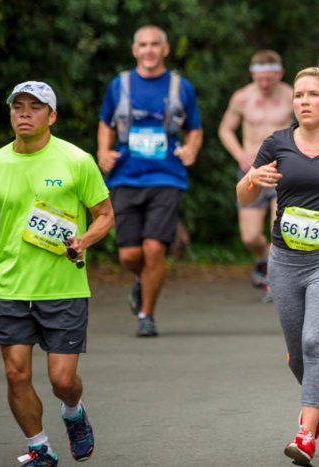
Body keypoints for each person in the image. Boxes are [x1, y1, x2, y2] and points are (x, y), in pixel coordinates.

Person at [238, 67, 319, 465]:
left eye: (313, 95)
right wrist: (252, 180)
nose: (304, 102)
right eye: (298, 95)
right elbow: (245, 198)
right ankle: (314, 408)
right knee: (297, 353)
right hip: (285, 260)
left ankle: (304, 432)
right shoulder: (276, 144)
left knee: (316, 343)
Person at [0, 82, 112, 466]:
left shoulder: (76, 160)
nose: (24, 113)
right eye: (18, 106)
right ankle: (40, 448)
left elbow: (105, 215)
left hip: (63, 288)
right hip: (11, 288)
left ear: (52, 116)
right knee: (16, 376)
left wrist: (84, 240)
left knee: (62, 381)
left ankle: (73, 412)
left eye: (35, 107)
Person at [96, 25, 203, 338]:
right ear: (134, 50)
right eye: (143, 45)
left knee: (155, 249)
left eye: (155, 44)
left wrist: (191, 148)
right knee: (129, 254)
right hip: (126, 176)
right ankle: (144, 279)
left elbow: (194, 128)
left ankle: (146, 314)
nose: (149, 50)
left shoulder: (181, 87)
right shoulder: (120, 84)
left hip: (166, 176)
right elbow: (106, 122)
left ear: (165, 50)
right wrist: (103, 150)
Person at [220, 50, 294, 301]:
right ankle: (263, 259)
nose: (264, 84)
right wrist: (240, 154)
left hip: (283, 170)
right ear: (253, 75)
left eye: (269, 79)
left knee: (279, 229)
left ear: (279, 74)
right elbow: (225, 129)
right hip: (251, 169)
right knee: (250, 236)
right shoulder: (242, 97)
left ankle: (275, 280)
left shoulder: (292, 96)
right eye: (259, 78)